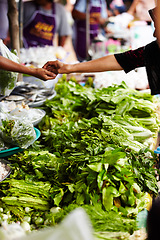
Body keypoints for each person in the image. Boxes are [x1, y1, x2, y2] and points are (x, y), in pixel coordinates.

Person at [43, 6, 160, 95]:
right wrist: (69, 68)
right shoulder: (154, 50)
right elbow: (120, 60)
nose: (154, 34)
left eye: (157, 27)